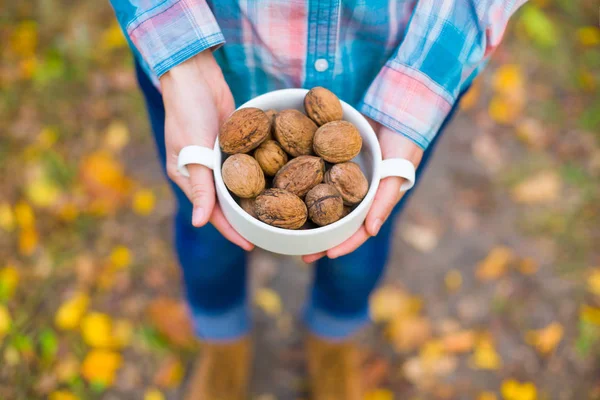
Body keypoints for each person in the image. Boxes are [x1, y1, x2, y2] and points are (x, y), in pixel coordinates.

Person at [109, 1, 526, 398]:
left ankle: (333, 341)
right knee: (207, 234)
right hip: (207, 70)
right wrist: (182, 61)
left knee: (361, 245)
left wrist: (416, 97)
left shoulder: (334, 149)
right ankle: (222, 343)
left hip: (393, 68)